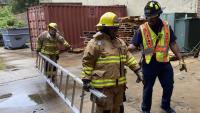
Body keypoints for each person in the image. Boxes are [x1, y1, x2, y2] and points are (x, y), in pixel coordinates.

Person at [129, 1, 187, 113]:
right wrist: (125, 48)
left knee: (169, 85)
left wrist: (181, 59)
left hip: (164, 63)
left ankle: (165, 105)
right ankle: (145, 109)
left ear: (158, 14)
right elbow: (133, 45)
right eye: (148, 16)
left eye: (152, 16)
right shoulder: (142, 29)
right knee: (147, 88)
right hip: (148, 63)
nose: (149, 19)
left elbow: (173, 43)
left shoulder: (166, 26)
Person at [81, 12, 143, 113]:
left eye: (117, 28)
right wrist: (86, 79)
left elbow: (128, 57)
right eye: (114, 28)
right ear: (105, 28)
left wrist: (138, 70)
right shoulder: (95, 43)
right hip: (103, 87)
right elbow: (88, 62)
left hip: (119, 86)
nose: (116, 31)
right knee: (105, 109)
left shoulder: (119, 42)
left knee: (118, 109)